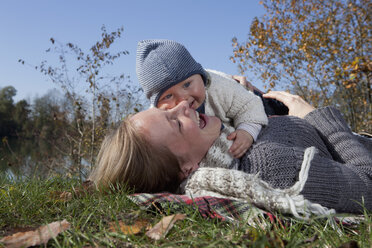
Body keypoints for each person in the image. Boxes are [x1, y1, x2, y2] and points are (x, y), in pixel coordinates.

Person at [89, 91, 372, 215]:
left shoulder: (224, 141)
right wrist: (315, 117)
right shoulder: (268, 168)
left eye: (168, 108)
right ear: (186, 169)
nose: (184, 105)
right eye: (176, 122)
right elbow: (367, 188)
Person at [136, 39, 268, 158]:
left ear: (202, 77)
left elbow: (250, 105)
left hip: (255, 101)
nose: (183, 100)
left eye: (187, 84)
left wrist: (247, 131)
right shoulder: (158, 122)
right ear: (156, 106)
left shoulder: (221, 86)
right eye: (168, 96)